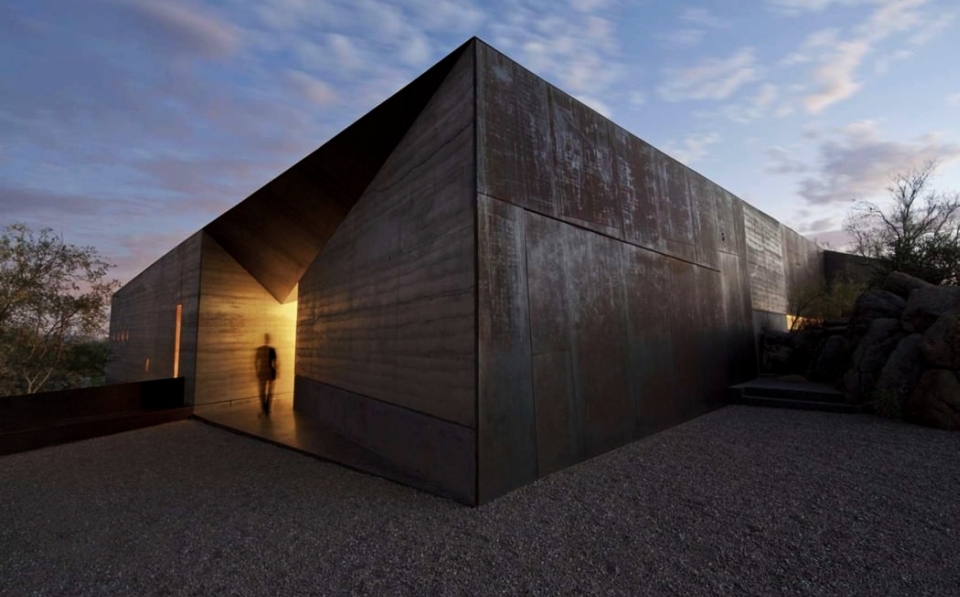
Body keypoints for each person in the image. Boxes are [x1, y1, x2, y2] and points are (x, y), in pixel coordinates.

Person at [255, 334, 278, 416]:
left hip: (262, 371)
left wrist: (257, 371)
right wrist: (276, 372)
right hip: (270, 371)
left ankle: (264, 408)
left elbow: (256, 362)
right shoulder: (272, 350)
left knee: (262, 391)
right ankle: (267, 408)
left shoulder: (259, 349)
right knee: (269, 391)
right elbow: (275, 363)